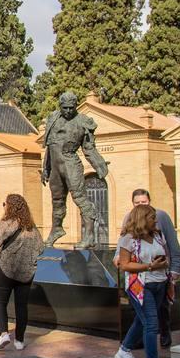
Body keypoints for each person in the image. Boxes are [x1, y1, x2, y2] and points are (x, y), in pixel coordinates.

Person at [113, 205, 173, 358]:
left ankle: (124, 350)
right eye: (152, 217)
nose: (155, 220)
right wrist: (149, 266)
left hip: (159, 283)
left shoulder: (157, 236)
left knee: (142, 320)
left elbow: (166, 256)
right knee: (152, 324)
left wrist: (164, 264)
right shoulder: (128, 239)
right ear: (142, 219)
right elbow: (124, 265)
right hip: (141, 286)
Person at [40, 92, 109, 247]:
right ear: (60, 106)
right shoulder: (53, 118)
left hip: (71, 163)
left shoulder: (83, 122)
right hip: (55, 167)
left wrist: (99, 164)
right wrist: (46, 168)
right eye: (65, 108)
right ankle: (56, 229)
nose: (69, 111)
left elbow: (89, 148)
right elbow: (49, 146)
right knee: (57, 200)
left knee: (80, 198)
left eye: (72, 108)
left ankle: (89, 236)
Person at [0, 193, 43, 350]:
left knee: (0, 302)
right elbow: (41, 248)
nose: (4, 206)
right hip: (26, 272)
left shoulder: (4, 224)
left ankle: (4, 334)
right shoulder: (32, 228)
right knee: (22, 306)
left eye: (4, 204)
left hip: (6, 269)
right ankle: (19, 341)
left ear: (9, 207)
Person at [122, 189, 180, 351]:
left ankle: (127, 348)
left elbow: (173, 246)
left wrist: (173, 269)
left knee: (158, 312)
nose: (141, 205)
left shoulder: (159, 222)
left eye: (144, 202)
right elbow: (123, 252)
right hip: (141, 283)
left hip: (160, 280)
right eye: (137, 203)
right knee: (149, 322)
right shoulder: (129, 225)